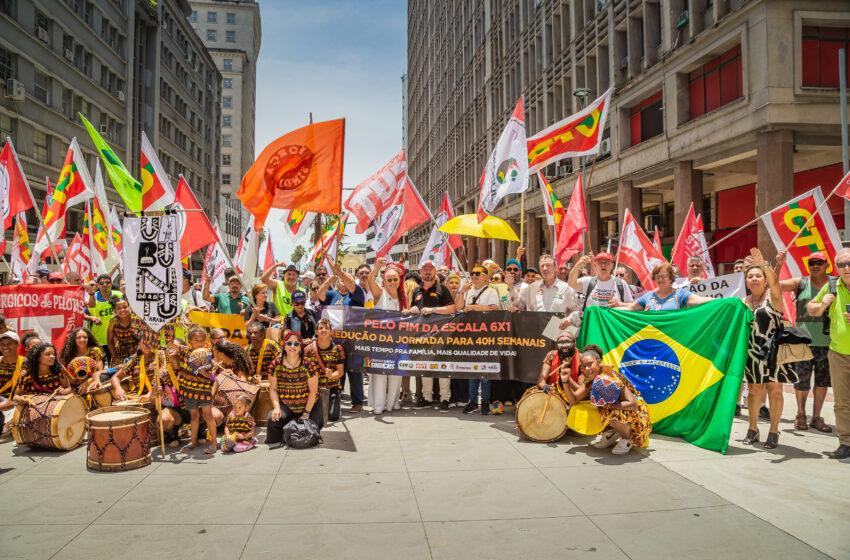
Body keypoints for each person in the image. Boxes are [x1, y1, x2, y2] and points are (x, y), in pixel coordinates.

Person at [740, 248, 796, 450]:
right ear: (746, 282)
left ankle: (773, 431)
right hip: (752, 354)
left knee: (775, 390)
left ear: (765, 279)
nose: (754, 279)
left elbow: (775, 282)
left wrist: (764, 263)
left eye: (758, 276)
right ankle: (752, 429)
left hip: (773, 352)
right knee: (754, 391)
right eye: (750, 276)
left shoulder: (773, 297)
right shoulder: (743, 302)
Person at [776, 250, 833, 433]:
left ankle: (816, 417)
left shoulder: (834, 284)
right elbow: (774, 286)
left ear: (827, 265)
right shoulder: (800, 283)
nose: (815, 266)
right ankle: (801, 415)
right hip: (803, 341)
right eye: (811, 263)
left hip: (828, 341)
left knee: (822, 382)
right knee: (802, 382)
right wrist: (779, 264)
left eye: (819, 262)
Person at [562, 345, 651, 455]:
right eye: (584, 366)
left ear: (598, 362)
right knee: (581, 407)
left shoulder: (612, 377)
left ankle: (626, 439)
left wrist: (607, 406)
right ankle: (611, 432)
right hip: (614, 409)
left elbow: (632, 404)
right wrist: (566, 381)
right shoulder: (591, 380)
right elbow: (574, 400)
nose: (587, 369)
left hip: (636, 413)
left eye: (590, 364)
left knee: (608, 411)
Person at [806, 246, 850, 459]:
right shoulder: (832, 285)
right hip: (838, 353)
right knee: (842, 401)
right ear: (837, 268)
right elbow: (810, 309)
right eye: (841, 264)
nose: (846, 268)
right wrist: (821, 305)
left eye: (849, 263)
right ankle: (846, 442)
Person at [403, 259, 456, 410]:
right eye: (425, 269)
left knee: (442, 365)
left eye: (430, 269)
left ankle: (445, 399)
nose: (427, 271)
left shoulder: (442, 289)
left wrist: (433, 310)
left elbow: (452, 309)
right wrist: (411, 309)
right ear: (421, 272)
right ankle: (426, 398)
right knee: (425, 365)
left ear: (435, 272)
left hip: (441, 335)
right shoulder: (416, 291)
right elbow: (414, 308)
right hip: (422, 335)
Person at [318, 260, 366, 412]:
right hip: (336, 340)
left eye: (347, 279)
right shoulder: (332, 294)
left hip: (352, 339)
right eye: (340, 280)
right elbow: (319, 294)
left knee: (354, 370)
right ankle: (335, 401)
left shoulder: (357, 293)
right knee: (337, 369)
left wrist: (340, 273)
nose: (343, 282)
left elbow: (350, 284)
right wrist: (328, 281)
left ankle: (357, 402)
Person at [266, 330, 322, 445]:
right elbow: (273, 389)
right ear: (284, 346)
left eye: (296, 344)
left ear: (301, 347)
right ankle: (279, 439)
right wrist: (276, 408)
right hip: (287, 406)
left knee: (309, 434)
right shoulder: (275, 364)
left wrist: (306, 412)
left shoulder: (308, 364)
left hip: (309, 406)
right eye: (289, 343)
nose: (293, 346)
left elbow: (313, 391)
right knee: (273, 418)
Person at [366, 259, 406, 413]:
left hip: (398, 343)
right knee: (379, 376)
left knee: (396, 374)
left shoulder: (403, 298)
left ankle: (393, 403)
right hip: (380, 343)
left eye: (395, 279)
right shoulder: (380, 293)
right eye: (389, 279)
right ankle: (378, 406)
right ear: (384, 281)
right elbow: (370, 280)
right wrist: (376, 267)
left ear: (399, 280)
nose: (392, 282)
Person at [613, 263, 713, 311]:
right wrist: (605, 311)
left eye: (663, 276)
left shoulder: (681, 294)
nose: (660, 279)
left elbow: (700, 300)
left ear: (671, 278)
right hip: (652, 342)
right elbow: (631, 307)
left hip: (674, 344)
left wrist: (723, 301)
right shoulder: (648, 296)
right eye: (657, 277)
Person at [517, 254, 580, 328]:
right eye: (542, 266)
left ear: (555, 267)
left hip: (556, 332)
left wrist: (570, 319)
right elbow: (518, 304)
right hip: (534, 333)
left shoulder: (566, 289)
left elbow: (577, 311)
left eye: (548, 265)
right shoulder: (531, 288)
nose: (545, 268)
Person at [177, 348, 219, 454]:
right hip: (191, 393)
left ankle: (214, 443)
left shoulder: (208, 361)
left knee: (208, 416)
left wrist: (202, 369)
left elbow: (210, 377)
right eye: (196, 340)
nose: (199, 343)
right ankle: (193, 442)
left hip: (205, 393)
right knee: (194, 417)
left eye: (201, 340)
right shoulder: (186, 358)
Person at [304, 318, 346, 420]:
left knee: (332, 416)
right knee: (315, 416)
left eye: (326, 328)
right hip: (313, 390)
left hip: (331, 388)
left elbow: (340, 372)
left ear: (331, 331)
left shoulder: (338, 349)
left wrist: (331, 375)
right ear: (316, 332)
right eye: (320, 328)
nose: (323, 330)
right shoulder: (308, 349)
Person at [569, 252, 633, 318]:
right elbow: (571, 283)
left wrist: (619, 304)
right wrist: (578, 266)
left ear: (612, 266)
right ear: (595, 265)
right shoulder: (588, 281)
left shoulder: (621, 283)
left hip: (612, 325)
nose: (603, 265)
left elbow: (631, 306)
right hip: (593, 324)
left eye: (607, 263)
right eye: (600, 262)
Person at [536, 327, 580, 402]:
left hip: (574, 398)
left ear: (574, 343)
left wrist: (567, 378)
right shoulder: (551, 355)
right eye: (561, 343)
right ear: (556, 345)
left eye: (567, 342)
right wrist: (545, 386)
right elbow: (541, 381)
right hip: (554, 396)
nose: (564, 346)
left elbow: (580, 389)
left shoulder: (581, 359)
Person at [86, 274, 122, 362]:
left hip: (116, 338)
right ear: (97, 285)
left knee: (115, 363)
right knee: (99, 366)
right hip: (99, 338)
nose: (105, 285)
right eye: (102, 283)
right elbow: (83, 314)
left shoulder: (119, 295)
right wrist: (91, 318)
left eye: (107, 282)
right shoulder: (92, 297)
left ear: (111, 283)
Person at [0, 332, 25, 428]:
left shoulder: (24, 364)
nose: (5, 347)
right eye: (2, 344)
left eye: (9, 343)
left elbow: (14, 400)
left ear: (17, 344)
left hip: (15, 404)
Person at [107, 297, 140, 366]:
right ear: (114, 310)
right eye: (118, 308)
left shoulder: (137, 319)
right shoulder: (113, 322)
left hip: (139, 351)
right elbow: (110, 341)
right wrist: (115, 357)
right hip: (120, 353)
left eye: (125, 307)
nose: (122, 310)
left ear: (130, 307)